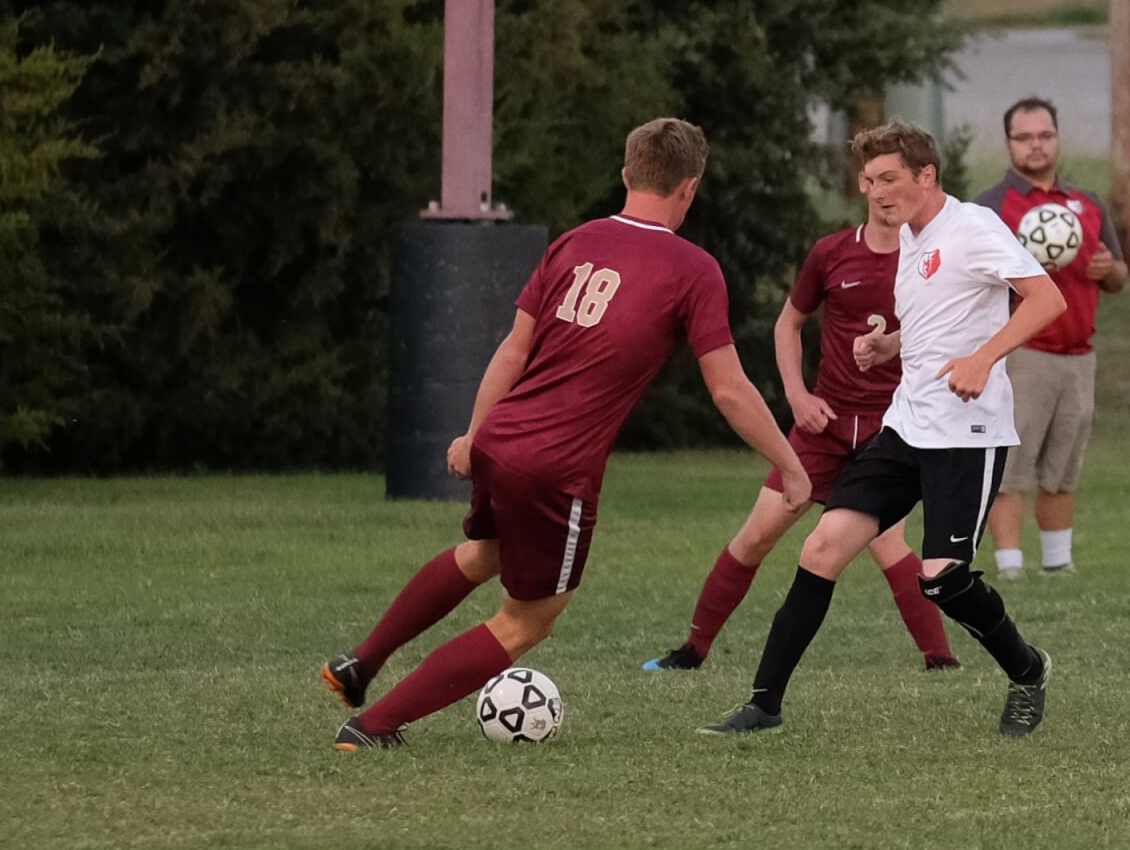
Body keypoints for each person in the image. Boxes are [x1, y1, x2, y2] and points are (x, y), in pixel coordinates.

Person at [318, 118, 809, 750]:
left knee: (484, 554)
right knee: (527, 623)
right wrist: (791, 464)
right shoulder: (694, 268)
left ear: (627, 174)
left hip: (502, 438)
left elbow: (512, 350)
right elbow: (729, 390)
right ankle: (373, 726)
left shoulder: (575, 242)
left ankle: (360, 662)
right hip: (554, 470)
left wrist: (474, 435)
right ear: (690, 188)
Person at [698, 120, 1067, 737]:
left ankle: (1028, 672)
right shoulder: (911, 242)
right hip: (906, 426)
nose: (875, 192)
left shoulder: (972, 227)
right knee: (820, 549)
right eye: (868, 181)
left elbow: (1046, 298)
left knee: (941, 580)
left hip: (967, 433)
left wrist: (983, 358)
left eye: (888, 179)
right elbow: (942, 320)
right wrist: (888, 344)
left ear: (927, 176)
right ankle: (763, 705)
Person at [639, 199, 958, 673]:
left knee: (888, 542)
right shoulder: (831, 253)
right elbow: (788, 323)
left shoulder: (934, 257)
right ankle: (692, 650)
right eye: (877, 180)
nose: (887, 194)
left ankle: (941, 659)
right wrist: (797, 395)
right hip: (822, 427)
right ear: (865, 185)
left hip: (888, 429)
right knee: (756, 537)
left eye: (897, 180)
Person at [971, 96, 1128, 581]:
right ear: (1008, 144)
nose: (1035, 146)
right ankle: (1011, 566)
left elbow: (1119, 274)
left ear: (1057, 139)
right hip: (1023, 354)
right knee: (1011, 464)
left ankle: (1058, 564)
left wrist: (1109, 270)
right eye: (1024, 138)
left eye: (1044, 136)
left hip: (1080, 355)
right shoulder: (990, 207)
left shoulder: (1087, 204)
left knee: (1063, 465)